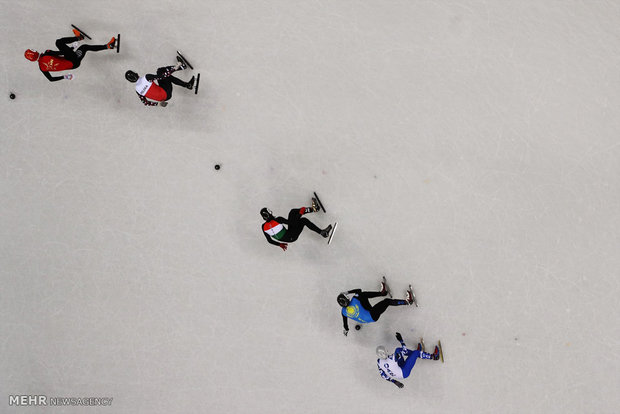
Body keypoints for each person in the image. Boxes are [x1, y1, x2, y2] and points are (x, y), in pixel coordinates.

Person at [24, 29, 116, 82]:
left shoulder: (42, 68)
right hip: (71, 58)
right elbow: (62, 52)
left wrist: (64, 77)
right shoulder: (46, 54)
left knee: (85, 47)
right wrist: (72, 47)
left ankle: (108, 46)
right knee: (58, 42)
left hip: (74, 65)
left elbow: (51, 79)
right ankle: (79, 37)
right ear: (35, 52)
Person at [339, 280, 413, 335]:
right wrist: (347, 292)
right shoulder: (355, 299)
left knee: (362, 296)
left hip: (367, 317)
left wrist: (346, 330)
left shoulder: (343, 312)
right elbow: (358, 290)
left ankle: (382, 293)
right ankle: (407, 301)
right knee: (386, 301)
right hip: (372, 314)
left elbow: (345, 325)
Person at [261, 198, 332, 251]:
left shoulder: (263, 227)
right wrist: (300, 213)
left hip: (288, 235)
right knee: (303, 220)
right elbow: (293, 223)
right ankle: (323, 233)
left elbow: (269, 241)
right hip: (292, 236)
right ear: (269, 213)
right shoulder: (278, 220)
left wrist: (280, 244)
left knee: (292, 212)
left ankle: (314, 208)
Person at [125, 57, 195, 107]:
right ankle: (185, 77)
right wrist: (175, 68)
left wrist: (157, 104)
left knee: (160, 72)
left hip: (164, 98)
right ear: (136, 73)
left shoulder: (137, 90)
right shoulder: (146, 78)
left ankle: (183, 70)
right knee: (164, 73)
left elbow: (145, 102)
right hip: (166, 92)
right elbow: (162, 76)